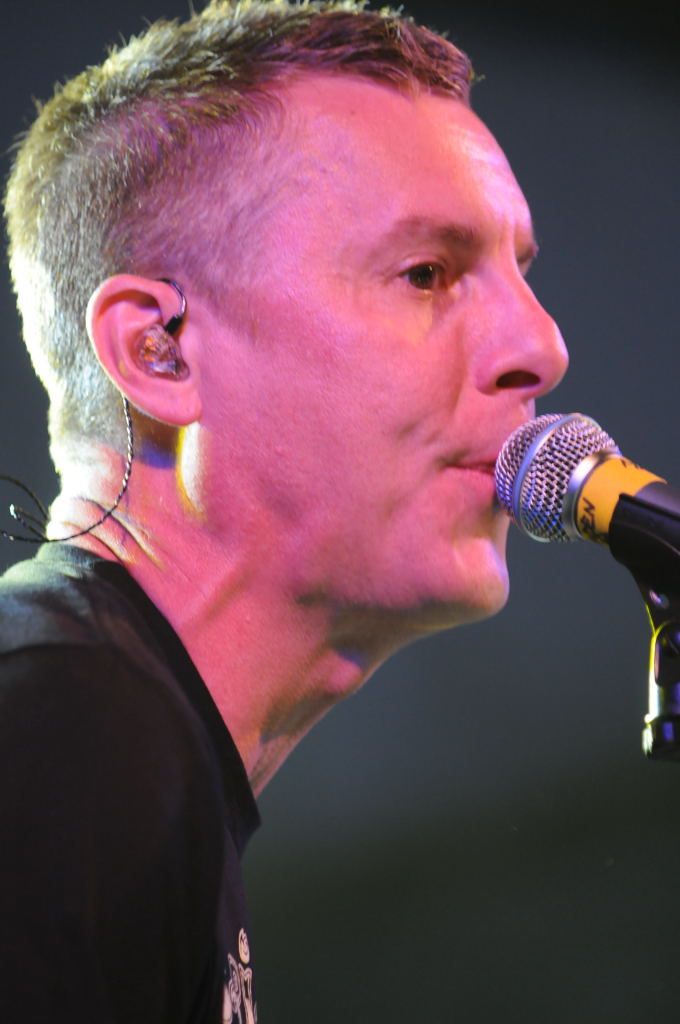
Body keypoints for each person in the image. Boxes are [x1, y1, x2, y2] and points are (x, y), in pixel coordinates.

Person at [0, 0, 568, 1020]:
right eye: (427, 273)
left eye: (519, 274)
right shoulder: (56, 734)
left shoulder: (118, 743)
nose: (541, 347)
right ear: (159, 351)